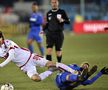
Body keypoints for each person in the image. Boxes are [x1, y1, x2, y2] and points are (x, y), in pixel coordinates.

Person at [0, 31, 78, 82]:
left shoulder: (8, 42)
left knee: (50, 63)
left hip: (31, 57)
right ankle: (51, 70)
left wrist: (1, 65)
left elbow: (11, 56)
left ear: (2, 38)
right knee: (36, 78)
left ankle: (74, 72)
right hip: (25, 66)